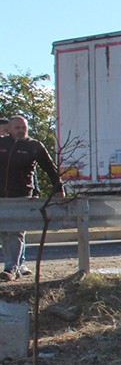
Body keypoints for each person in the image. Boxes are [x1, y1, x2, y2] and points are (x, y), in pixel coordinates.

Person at [0, 115, 64, 281]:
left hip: (21, 195)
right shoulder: (2, 143)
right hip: (1, 196)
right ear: (10, 129)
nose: (21, 131)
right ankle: (14, 265)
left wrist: (58, 187)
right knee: (4, 232)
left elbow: (50, 168)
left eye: (23, 128)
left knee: (16, 231)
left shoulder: (34, 146)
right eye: (17, 128)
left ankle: (11, 268)